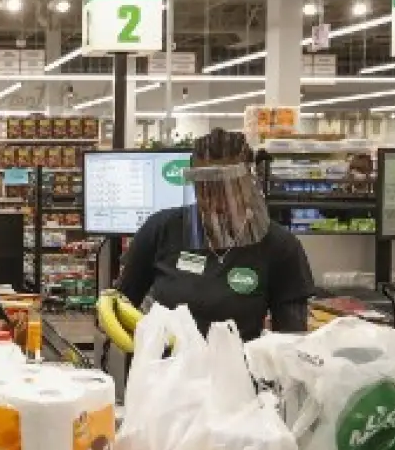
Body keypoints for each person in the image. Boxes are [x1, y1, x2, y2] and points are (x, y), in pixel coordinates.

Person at [118, 128, 314, 340]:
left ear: (249, 182)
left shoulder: (279, 246)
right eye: (205, 189)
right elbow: (121, 306)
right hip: (166, 369)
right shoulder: (161, 229)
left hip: (239, 370)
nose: (217, 202)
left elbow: (290, 341)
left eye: (228, 190)